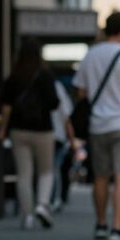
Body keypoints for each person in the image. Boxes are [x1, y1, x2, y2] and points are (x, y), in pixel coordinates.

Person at [73, 12, 120, 240]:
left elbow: (81, 92)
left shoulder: (91, 55)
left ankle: (101, 224)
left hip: (98, 124)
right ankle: (118, 226)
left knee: (101, 177)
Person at [0, 39, 61, 230]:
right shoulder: (46, 76)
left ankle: (27, 215)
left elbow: (6, 108)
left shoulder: (14, 77)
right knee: (46, 171)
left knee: (24, 173)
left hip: (19, 130)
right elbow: (54, 103)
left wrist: (2, 129)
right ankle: (42, 204)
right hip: (43, 129)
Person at [50, 78, 76, 212]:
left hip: (43, 133)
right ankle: (53, 199)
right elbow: (66, 116)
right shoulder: (56, 86)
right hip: (55, 135)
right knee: (53, 169)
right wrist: (72, 141)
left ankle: (42, 202)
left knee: (29, 171)